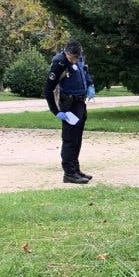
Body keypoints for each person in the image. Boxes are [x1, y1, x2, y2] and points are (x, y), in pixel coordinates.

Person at [44, 40, 96, 184]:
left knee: (77, 139)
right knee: (69, 140)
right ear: (66, 52)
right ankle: (69, 173)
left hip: (80, 102)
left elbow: (85, 72)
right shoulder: (59, 63)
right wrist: (56, 111)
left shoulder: (80, 57)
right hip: (69, 105)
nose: (73, 60)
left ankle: (76, 169)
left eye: (76, 58)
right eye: (71, 58)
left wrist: (90, 85)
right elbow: (48, 90)